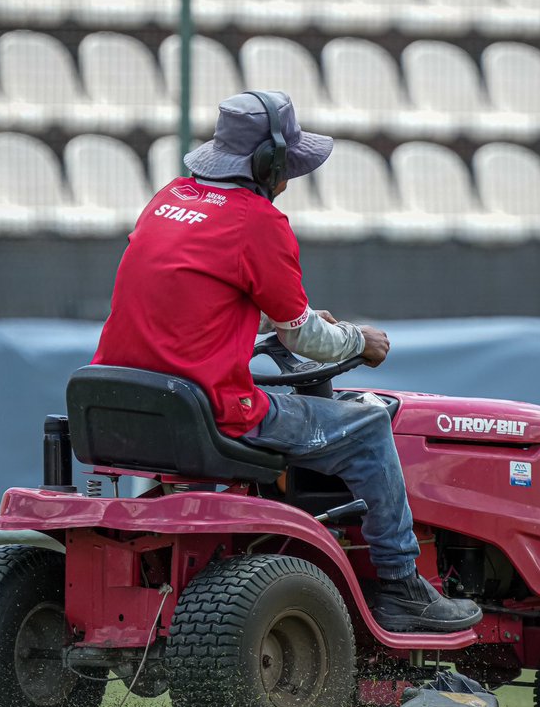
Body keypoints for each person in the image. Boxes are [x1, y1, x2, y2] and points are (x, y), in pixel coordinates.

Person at [93, 90, 482, 634]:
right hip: (211, 410)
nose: (288, 180)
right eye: (287, 167)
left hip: (129, 404)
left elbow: (198, 306)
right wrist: (356, 340)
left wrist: (284, 323)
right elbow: (306, 338)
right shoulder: (258, 223)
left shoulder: (168, 200)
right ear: (270, 163)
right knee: (368, 425)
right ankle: (399, 583)